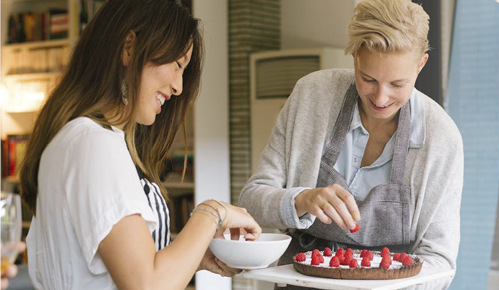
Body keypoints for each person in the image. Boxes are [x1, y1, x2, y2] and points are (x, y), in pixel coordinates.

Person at [18, 0, 261, 289]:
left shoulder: (84, 140)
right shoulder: (94, 145)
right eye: (177, 65)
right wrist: (212, 212)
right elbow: (146, 285)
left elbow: (116, 270)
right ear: (129, 47)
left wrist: (194, 257)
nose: (179, 87)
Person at [238, 0, 463, 288]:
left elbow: (440, 260)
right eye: (368, 79)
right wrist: (301, 199)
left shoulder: (441, 139)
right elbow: (251, 202)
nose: (380, 99)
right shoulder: (311, 96)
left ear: (420, 65)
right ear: (355, 57)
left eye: (397, 84)